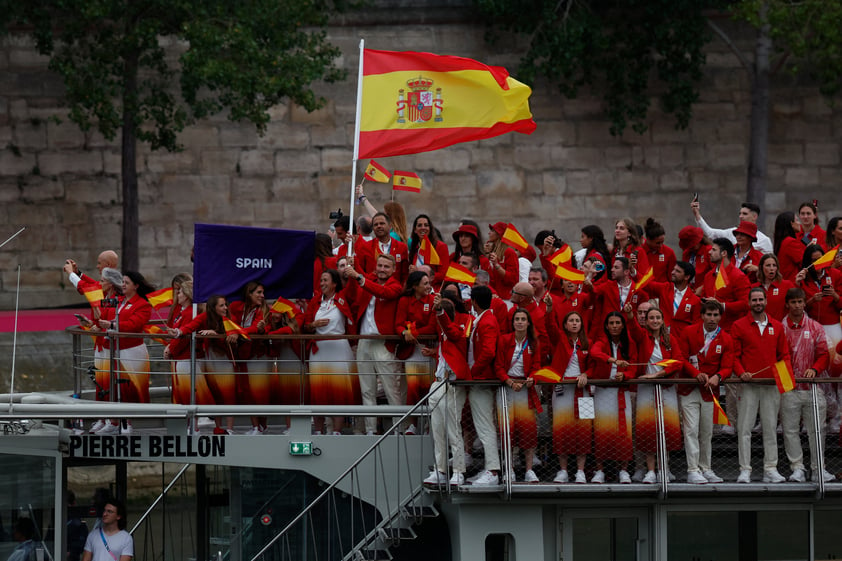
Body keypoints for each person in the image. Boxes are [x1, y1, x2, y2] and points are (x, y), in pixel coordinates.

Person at [731, 287, 790, 483]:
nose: (758, 303)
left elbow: (784, 356)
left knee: (770, 428)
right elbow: (734, 356)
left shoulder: (777, 326)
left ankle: (770, 469)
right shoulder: (739, 325)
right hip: (748, 385)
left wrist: (783, 381)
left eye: (760, 299)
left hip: (770, 386)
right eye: (754, 300)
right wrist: (741, 373)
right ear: (749, 303)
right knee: (744, 428)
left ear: (766, 301)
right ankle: (745, 469)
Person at [345, 254, 404, 435]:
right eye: (380, 265)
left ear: (393, 269)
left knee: (391, 389)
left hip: (383, 342)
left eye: (387, 267)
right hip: (364, 340)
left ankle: (398, 430)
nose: (382, 269)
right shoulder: (368, 280)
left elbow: (383, 292)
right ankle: (371, 431)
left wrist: (358, 276)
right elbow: (353, 296)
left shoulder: (396, 285)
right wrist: (352, 268)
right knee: (367, 390)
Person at [780, 287, 834, 483]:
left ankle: (818, 468)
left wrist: (815, 369)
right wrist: (787, 382)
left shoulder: (815, 327)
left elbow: (824, 355)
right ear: (787, 304)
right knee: (790, 430)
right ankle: (798, 469)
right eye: (793, 302)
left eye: (800, 302)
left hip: (813, 388)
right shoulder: (779, 328)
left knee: (817, 430)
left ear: (805, 303)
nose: (797, 305)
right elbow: (777, 358)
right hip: (789, 389)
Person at [677, 300, 733, 484]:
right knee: (691, 430)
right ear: (701, 315)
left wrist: (719, 375)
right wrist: (696, 373)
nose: (712, 318)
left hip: (710, 391)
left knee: (707, 432)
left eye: (716, 315)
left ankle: (706, 468)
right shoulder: (688, 332)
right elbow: (681, 359)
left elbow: (727, 366)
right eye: (708, 314)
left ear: (720, 317)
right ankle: (693, 470)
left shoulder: (726, 338)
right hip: (689, 388)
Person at [627, 305, 684, 484]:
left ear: (662, 320)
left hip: (666, 388)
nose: (655, 321)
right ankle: (651, 470)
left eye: (658, 317)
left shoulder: (670, 340)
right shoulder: (643, 337)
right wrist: (630, 315)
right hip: (646, 389)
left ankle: (664, 468)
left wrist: (658, 374)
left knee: (665, 429)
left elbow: (678, 361)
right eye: (651, 318)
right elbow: (633, 328)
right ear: (647, 320)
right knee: (648, 430)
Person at [94, 271, 154, 434]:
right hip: (116, 349)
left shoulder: (143, 304)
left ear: (136, 286)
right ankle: (113, 421)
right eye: (122, 282)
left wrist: (112, 325)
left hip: (131, 350)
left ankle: (128, 422)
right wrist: (97, 319)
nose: (123, 285)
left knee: (129, 387)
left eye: (127, 283)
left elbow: (134, 324)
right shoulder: (118, 301)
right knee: (113, 385)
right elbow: (102, 308)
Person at [173, 295, 239, 435]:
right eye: (222, 305)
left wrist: (215, 334)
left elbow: (232, 339)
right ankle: (218, 427)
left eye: (225, 305)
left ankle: (230, 429)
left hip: (225, 361)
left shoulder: (230, 319)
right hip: (210, 361)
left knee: (228, 395)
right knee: (216, 395)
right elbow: (191, 326)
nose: (225, 308)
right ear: (213, 307)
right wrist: (179, 332)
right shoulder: (205, 317)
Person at [423, 294, 471, 486]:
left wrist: (439, 312)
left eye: (439, 316)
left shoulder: (457, 331)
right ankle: (440, 469)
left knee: (453, 428)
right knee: (437, 428)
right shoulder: (444, 334)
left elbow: (453, 334)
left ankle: (458, 471)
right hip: (438, 382)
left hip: (453, 383)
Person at [303, 270, 355, 435]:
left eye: (326, 280)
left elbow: (355, 290)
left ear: (334, 283)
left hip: (338, 347)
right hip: (319, 349)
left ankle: (337, 430)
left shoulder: (342, 297)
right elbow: (305, 325)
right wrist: (314, 325)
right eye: (321, 280)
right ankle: (318, 430)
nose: (322, 283)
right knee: (318, 391)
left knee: (338, 390)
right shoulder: (315, 300)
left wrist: (351, 269)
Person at [589, 312, 637, 484]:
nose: (615, 326)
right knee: (600, 430)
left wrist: (625, 376)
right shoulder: (602, 341)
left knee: (624, 432)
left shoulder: (629, 342)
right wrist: (613, 361)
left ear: (623, 325)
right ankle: (600, 469)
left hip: (621, 391)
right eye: (611, 323)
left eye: (618, 322)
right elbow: (594, 352)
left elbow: (633, 367)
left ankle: (623, 470)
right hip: (602, 392)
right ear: (606, 326)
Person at [495, 308, 542, 483]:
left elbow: (537, 366)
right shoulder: (504, 340)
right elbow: (498, 366)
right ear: (513, 322)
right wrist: (509, 381)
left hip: (525, 389)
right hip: (507, 389)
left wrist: (533, 378)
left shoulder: (534, 343)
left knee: (528, 430)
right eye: (517, 319)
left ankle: (529, 470)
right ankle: (510, 468)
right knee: (507, 430)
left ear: (528, 323)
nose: (520, 322)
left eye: (523, 319)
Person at [162, 279, 213, 434]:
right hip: (181, 357)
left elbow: (184, 337)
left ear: (188, 294)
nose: (178, 294)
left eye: (181, 292)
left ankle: (195, 426)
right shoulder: (183, 312)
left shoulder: (190, 312)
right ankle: (192, 425)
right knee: (185, 392)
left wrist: (171, 349)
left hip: (185, 357)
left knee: (190, 392)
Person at [547, 311, 592, 483]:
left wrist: (586, 373)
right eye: (571, 321)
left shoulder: (588, 343)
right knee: (561, 430)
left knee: (584, 430)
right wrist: (550, 308)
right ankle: (563, 470)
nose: (574, 323)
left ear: (581, 324)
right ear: (565, 325)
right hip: (562, 390)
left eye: (577, 320)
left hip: (585, 391)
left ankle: (580, 471)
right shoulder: (560, 340)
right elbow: (550, 326)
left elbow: (594, 365)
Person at [465, 285, 501, 486]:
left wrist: (473, 373)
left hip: (481, 380)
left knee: (485, 426)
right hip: (479, 379)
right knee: (484, 425)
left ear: (474, 302)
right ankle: (490, 469)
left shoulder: (487, 321)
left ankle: (493, 472)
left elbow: (488, 352)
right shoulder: (484, 319)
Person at [395, 271, 437, 434]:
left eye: (428, 283)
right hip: (412, 351)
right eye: (425, 284)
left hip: (428, 350)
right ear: (415, 286)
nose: (428, 286)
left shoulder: (433, 300)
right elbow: (398, 324)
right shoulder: (405, 301)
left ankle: (428, 424)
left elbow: (432, 327)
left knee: (429, 389)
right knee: (413, 389)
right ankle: (412, 424)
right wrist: (404, 332)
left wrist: (414, 332)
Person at [229, 282, 271, 435]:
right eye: (259, 292)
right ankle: (255, 427)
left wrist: (238, 333)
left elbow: (255, 328)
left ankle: (262, 426)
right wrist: (235, 332)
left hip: (258, 355)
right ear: (249, 294)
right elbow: (229, 323)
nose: (262, 296)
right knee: (248, 391)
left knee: (260, 392)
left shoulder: (264, 310)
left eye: (263, 292)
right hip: (242, 355)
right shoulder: (236, 306)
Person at [701, 238, 751, 331]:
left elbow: (746, 304)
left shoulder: (739, 277)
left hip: (730, 330)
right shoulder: (708, 276)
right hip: (709, 331)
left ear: (724, 253)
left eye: (714, 250)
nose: (709, 252)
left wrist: (722, 305)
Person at [645, 261, 701, 342]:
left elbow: (696, 326)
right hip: (661, 337)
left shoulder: (695, 300)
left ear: (687, 277)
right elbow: (647, 284)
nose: (672, 272)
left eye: (677, 271)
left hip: (681, 340)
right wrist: (633, 272)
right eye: (673, 270)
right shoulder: (665, 288)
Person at [690, 199, 773, 253]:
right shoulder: (731, 232)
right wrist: (696, 213)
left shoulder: (764, 240)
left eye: (745, 214)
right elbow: (710, 233)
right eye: (740, 214)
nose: (741, 216)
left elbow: (768, 264)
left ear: (754, 217)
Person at [357, 212, 409, 285]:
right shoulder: (365, 247)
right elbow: (361, 272)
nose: (379, 226)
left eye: (382, 223)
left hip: (394, 292)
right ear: (372, 228)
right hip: (372, 291)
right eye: (376, 224)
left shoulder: (402, 247)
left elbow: (404, 275)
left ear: (390, 226)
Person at [407, 214, 450, 287]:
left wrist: (420, 273)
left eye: (426, 225)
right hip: (416, 290)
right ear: (415, 230)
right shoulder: (414, 248)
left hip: (433, 289)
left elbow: (444, 274)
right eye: (419, 225)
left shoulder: (440, 246)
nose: (423, 228)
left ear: (430, 229)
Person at [753, 254, 796, 322]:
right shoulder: (754, 288)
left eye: (774, 265)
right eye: (768, 265)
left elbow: (797, 304)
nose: (772, 268)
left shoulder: (787, 285)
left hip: (781, 327)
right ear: (761, 267)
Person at [485, 222, 519, 300]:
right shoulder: (492, 252)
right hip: (492, 298)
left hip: (506, 298)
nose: (489, 233)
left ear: (499, 234)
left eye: (492, 231)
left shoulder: (509, 252)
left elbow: (513, 279)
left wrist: (497, 265)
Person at [773, 211, 805, 281]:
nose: (799, 223)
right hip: (793, 282)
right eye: (797, 220)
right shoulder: (790, 242)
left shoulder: (783, 241)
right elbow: (804, 262)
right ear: (792, 223)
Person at [643, 218, 677, 283]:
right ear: (648, 239)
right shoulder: (639, 252)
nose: (660, 245)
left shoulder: (669, 252)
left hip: (663, 291)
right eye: (657, 243)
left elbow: (672, 277)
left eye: (662, 242)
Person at [677, 226, 712, 290]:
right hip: (690, 290)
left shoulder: (709, 251)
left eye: (692, 244)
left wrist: (702, 288)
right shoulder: (686, 253)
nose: (690, 247)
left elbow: (716, 273)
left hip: (706, 290)